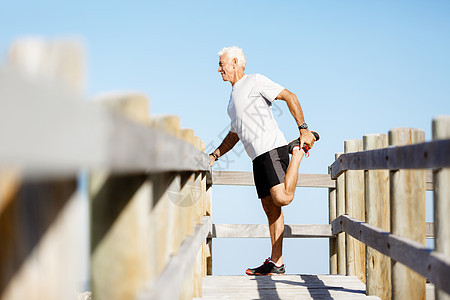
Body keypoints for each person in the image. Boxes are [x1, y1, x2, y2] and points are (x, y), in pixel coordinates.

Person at [209, 46, 319, 276]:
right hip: (256, 158)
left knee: (283, 197)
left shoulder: (255, 81)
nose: (219, 69)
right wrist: (214, 155)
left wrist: (303, 129)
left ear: (235, 62)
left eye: (222, 64)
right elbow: (234, 135)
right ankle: (276, 262)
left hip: (272, 148)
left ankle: (298, 150)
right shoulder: (232, 101)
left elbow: (290, 96)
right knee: (271, 209)